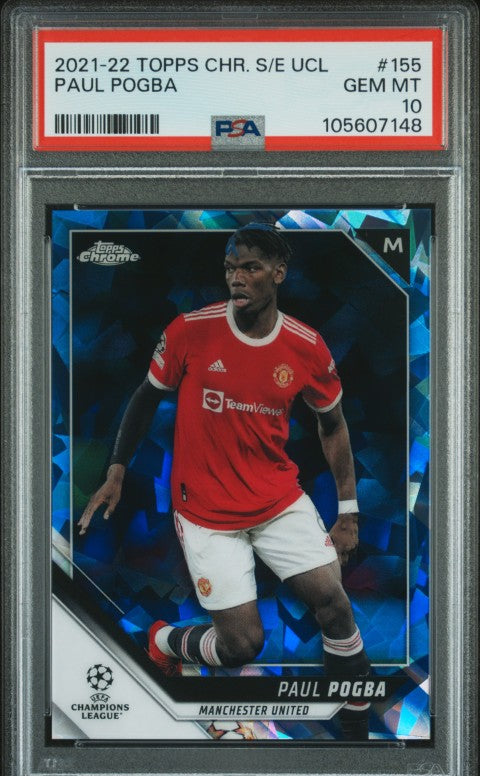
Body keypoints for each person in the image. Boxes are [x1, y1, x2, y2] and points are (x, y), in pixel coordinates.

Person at [79, 223, 371, 740]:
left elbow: (333, 424)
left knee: (335, 606)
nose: (237, 277)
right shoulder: (190, 331)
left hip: (277, 500)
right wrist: (117, 468)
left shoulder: (306, 347)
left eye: (251, 267)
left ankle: (355, 731)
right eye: (231, 268)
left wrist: (348, 512)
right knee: (241, 646)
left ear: (278, 273)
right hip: (206, 513)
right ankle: (163, 641)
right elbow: (146, 396)